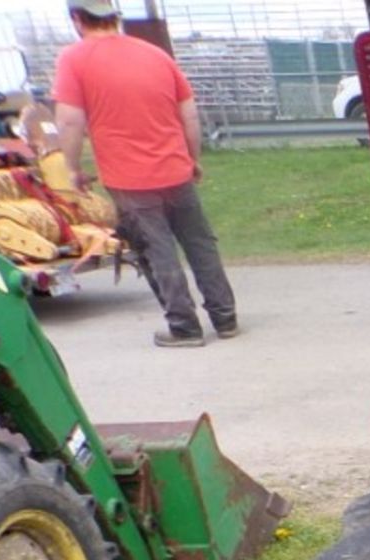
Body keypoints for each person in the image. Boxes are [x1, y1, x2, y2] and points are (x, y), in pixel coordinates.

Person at [53, 0, 237, 347]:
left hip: (129, 178)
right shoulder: (155, 55)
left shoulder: (73, 59)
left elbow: (69, 120)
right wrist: (191, 158)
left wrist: (74, 168)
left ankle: (183, 327)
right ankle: (225, 317)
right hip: (176, 169)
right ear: (113, 17)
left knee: (157, 248)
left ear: (78, 19)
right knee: (200, 244)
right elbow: (190, 114)